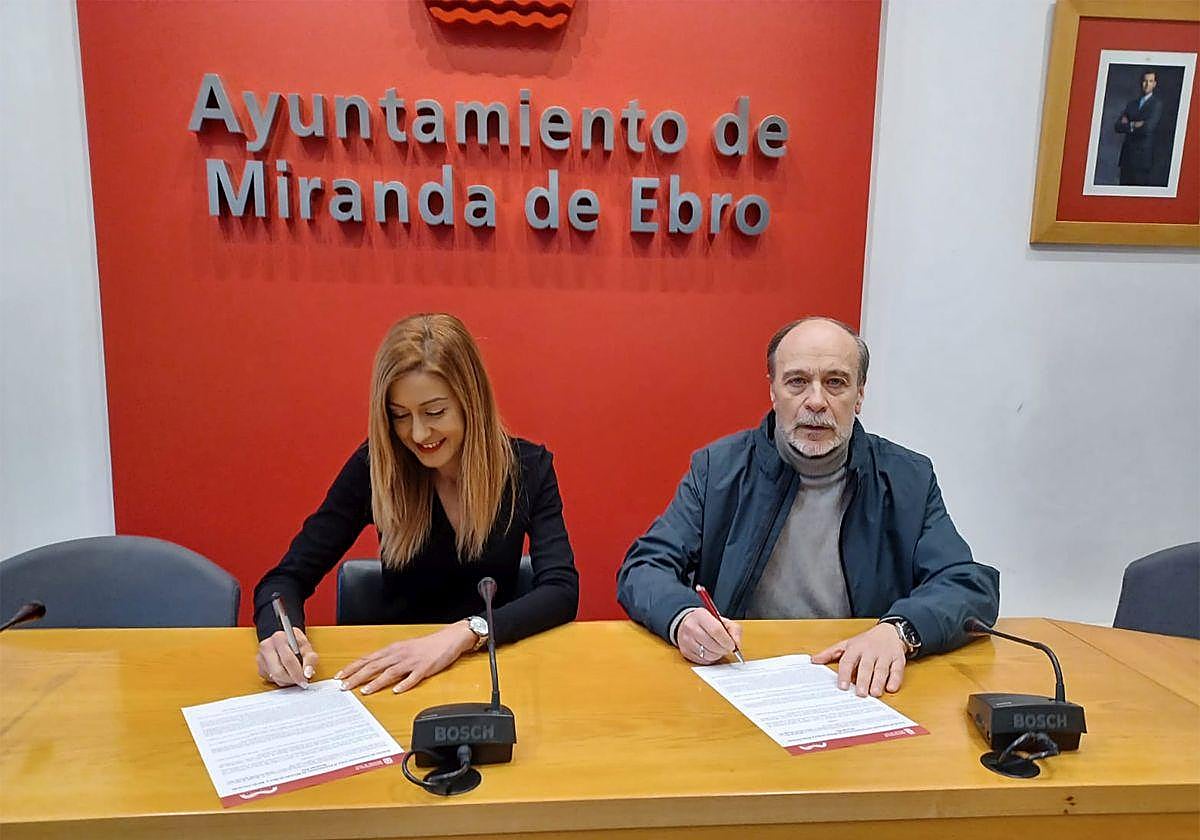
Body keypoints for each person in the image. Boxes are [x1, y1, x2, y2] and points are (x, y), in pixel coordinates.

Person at [616, 317, 999, 698]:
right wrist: (684, 618)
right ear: (773, 391)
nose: (816, 401)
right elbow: (644, 567)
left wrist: (899, 631)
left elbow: (967, 585)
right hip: (743, 672)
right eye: (797, 381)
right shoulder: (718, 470)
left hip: (858, 682)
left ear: (860, 395)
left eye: (835, 382)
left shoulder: (907, 479)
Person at [254, 313, 578, 695]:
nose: (419, 433)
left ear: (470, 401)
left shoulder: (527, 469)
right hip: (397, 682)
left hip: (494, 673)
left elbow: (561, 590)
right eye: (400, 416)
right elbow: (284, 580)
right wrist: (279, 634)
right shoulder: (375, 468)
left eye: (435, 412)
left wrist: (465, 633)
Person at [1115, 69, 1163, 186]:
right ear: (1141, 83)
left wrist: (1128, 124)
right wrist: (1134, 124)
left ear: (1154, 84)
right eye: (1145, 81)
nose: (1147, 84)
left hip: (1142, 160)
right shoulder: (1132, 104)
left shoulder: (1156, 105)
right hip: (1127, 158)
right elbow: (1118, 126)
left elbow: (1148, 128)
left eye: (1150, 81)